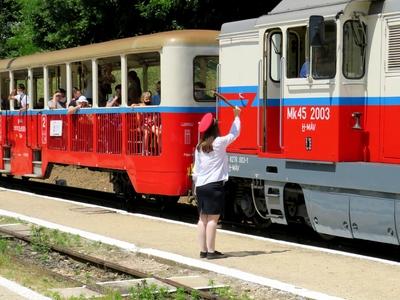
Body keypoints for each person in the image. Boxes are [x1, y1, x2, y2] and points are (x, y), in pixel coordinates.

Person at [192, 105, 241, 259]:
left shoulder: (199, 147)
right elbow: (234, 133)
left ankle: (203, 250)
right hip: (214, 186)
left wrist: (195, 187)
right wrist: (237, 116)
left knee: (202, 219)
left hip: (201, 186)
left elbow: (196, 170)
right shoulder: (219, 143)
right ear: (215, 128)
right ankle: (211, 252)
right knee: (213, 219)